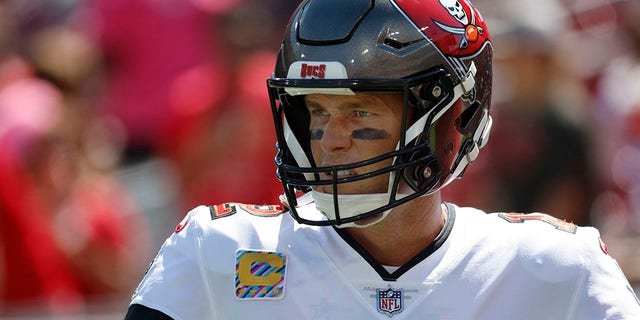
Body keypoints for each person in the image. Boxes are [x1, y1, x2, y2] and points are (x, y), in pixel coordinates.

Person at [124, 0, 640, 319]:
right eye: (318, 113)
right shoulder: (218, 252)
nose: (330, 140)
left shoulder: (557, 269)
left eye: (361, 113)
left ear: (450, 119)